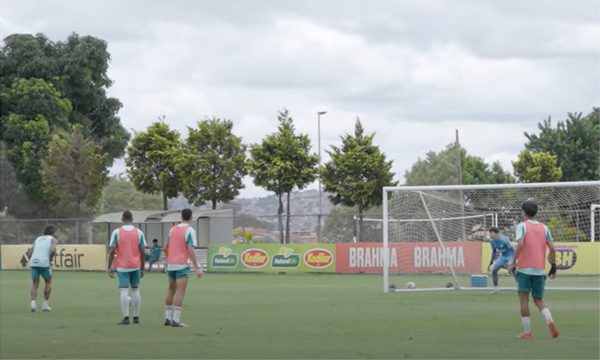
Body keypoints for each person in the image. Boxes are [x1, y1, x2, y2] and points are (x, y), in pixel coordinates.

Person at [509, 199, 559, 339]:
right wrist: (554, 266)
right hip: (540, 270)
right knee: (539, 299)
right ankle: (549, 320)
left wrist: (513, 262)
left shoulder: (522, 226)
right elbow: (552, 248)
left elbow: (520, 244)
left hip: (524, 269)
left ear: (523, 212)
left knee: (524, 300)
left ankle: (527, 332)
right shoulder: (544, 227)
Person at [163, 208, 203, 327]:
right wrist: (197, 267)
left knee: (171, 291)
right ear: (191, 217)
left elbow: (166, 247)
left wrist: (170, 257)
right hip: (182, 264)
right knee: (180, 292)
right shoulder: (190, 230)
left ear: (181, 217)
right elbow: (190, 249)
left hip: (171, 264)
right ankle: (175, 320)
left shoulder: (172, 229)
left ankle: (167, 318)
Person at [107, 210, 146, 325]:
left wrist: (109, 266)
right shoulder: (139, 232)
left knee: (123, 290)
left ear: (122, 219)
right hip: (135, 265)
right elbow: (143, 251)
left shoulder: (117, 232)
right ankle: (136, 317)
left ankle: (125, 317)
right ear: (132, 219)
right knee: (135, 289)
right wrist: (143, 268)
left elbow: (112, 250)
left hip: (122, 265)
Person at [27, 225, 58, 312]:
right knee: (48, 282)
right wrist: (49, 259)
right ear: (53, 232)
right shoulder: (53, 239)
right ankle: (45, 305)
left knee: (35, 284)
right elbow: (52, 250)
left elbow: (30, 253)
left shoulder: (37, 239)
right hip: (44, 263)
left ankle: (33, 304)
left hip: (33, 262)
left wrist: (31, 261)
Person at [487, 226, 515, 294]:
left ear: (497, 233)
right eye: (490, 233)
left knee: (514, 271)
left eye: (492, 233)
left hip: (510, 256)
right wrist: (491, 262)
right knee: (494, 270)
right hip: (502, 256)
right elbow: (494, 251)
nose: (490, 234)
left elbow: (512, 250)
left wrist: (513, 261)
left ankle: (521, 288)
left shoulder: (504, 240)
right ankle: (495, 289)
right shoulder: (492, 241)